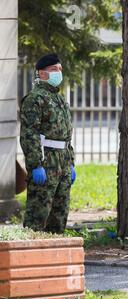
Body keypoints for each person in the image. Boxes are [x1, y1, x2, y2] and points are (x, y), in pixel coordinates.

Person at [20, 53, 76, 234]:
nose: (58, 73)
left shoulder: (60, 99)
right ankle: (30, 255)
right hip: (46, 160)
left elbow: (67, 135)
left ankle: (54, 254)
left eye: (60, 69)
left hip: (63, 161)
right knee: (38, 213)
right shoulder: (34, 99)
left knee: (59, 214)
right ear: (41, 73)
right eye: (53, 70)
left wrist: (71, 162)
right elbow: (30, 134)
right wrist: (36, 164)